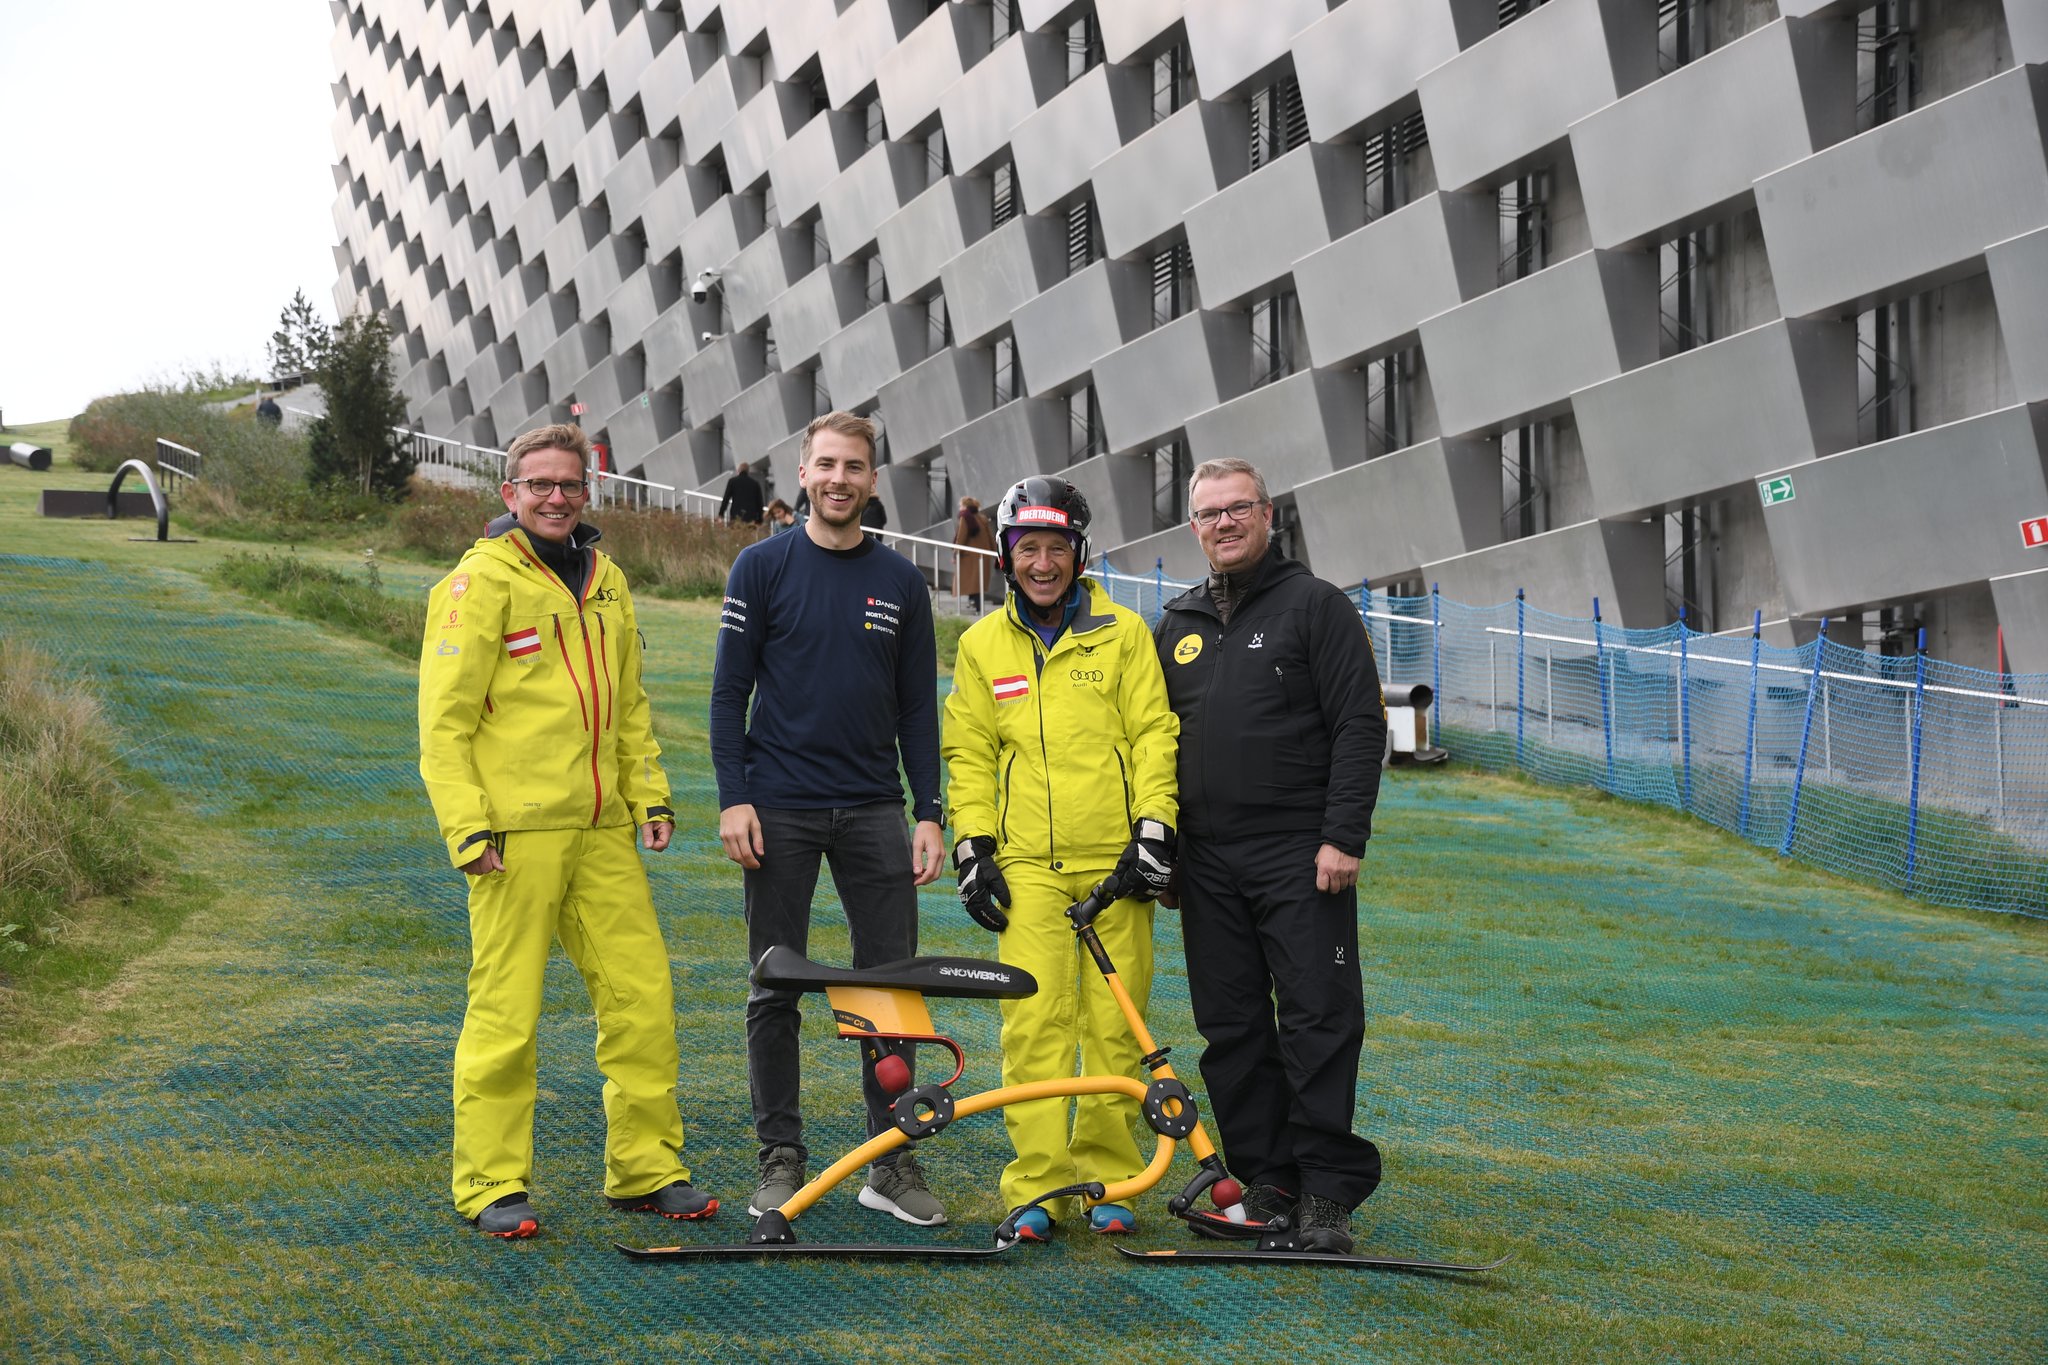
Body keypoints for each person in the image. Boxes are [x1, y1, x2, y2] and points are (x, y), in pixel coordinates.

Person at [418, 421, 714, 1238]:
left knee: (643, 998)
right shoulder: (477, 584)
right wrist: (467, 828)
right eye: (538, 484)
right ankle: (491, 1184)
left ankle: (646, 1168)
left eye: (569, 485)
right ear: (509, 494)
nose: (555, 497)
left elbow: (628, 704)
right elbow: (442, 726)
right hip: (515, 838)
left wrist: (648, 795)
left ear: (588, 493)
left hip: (602, 832)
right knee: (507, 1013)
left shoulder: (607, 580)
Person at [709, 411, 948, 1227]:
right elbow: (726, 694)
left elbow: (920, 709)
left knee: (889, 988)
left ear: (873, 480)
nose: (840, 479)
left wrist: (931, 811)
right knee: (775, 985)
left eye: (855, 466)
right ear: (801, 474)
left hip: (877, 809)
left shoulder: (903, 583)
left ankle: (890, 1158)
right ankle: (782, 1156)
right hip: (778, 807)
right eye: (826, 465)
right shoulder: (761, 566)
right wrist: (733, 796)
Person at [1151, 457, 1387, 1256]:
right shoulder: (1176, 622)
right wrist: (1168, 853)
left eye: (1237, 508)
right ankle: (1270, 1181)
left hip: (1300, 851)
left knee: (1318, 1017)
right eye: (1209, 513)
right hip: (1206, 864)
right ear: (1193, 527)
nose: (1223, 523)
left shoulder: (1316, 607)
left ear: (1268, 514)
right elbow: (1155, 745)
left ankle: (1326, 1194)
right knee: (1232, 1027)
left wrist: (1343, 834)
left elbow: (1359, 722)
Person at [941, 477, 1179, 1244]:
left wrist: (1154, 828)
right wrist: (973, 847)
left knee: (1116, 1028)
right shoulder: (982, 646)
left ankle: (1106, 1177)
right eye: (1027, 548)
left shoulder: (1123, 632)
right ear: (1006, 554)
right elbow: (970, 754)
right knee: (1035, 1027)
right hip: (1029, 871)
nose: (1042, 563)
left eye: (1056, 548)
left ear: (1079, 553)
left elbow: (1152, 734)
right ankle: (1038, 1185)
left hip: (1115, 867)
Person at [951, 495, 998, 612]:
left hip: (969, 557)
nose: (960, 508)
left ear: (965, 506)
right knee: (977, 582)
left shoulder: (965, 517)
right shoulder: (982, 518)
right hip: (982, 556)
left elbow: (961, 537)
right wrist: (995, 552)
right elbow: (990, 537)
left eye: (961, 505)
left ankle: (977, 607)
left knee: (972, 582)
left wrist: (955, 553)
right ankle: (974, 604)